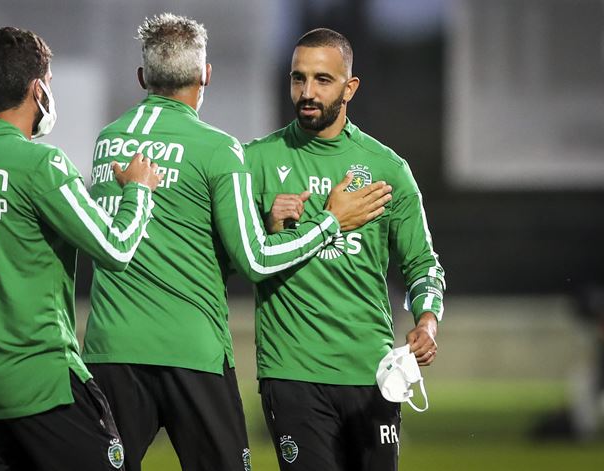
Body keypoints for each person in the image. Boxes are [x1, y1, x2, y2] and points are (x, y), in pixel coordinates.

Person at [81, 14, 392, 471]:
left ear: (143, 77)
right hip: (193, 353)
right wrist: (329, 222)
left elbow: (163, 238)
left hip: (111, 351)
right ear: (205, 75)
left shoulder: (107, 142)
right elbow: (255, 260)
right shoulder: (217, 148)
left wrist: (264, 222)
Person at [0, 26, 161, 471]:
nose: (51, 90)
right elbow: (116, 249)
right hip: (45, 383)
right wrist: (139, 191)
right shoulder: (42, 163)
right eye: (49, 82)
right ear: (38, 89)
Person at [245, 28, 446, 471]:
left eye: (322, 80)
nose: (307, 92)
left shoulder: (387, 169)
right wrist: (267, 224)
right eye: (298, 79)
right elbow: (241, 255)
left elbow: (423, 264)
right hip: (292, 372)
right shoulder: (254, 162)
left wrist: (427, 322)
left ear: (349, 87)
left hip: (372, 372)